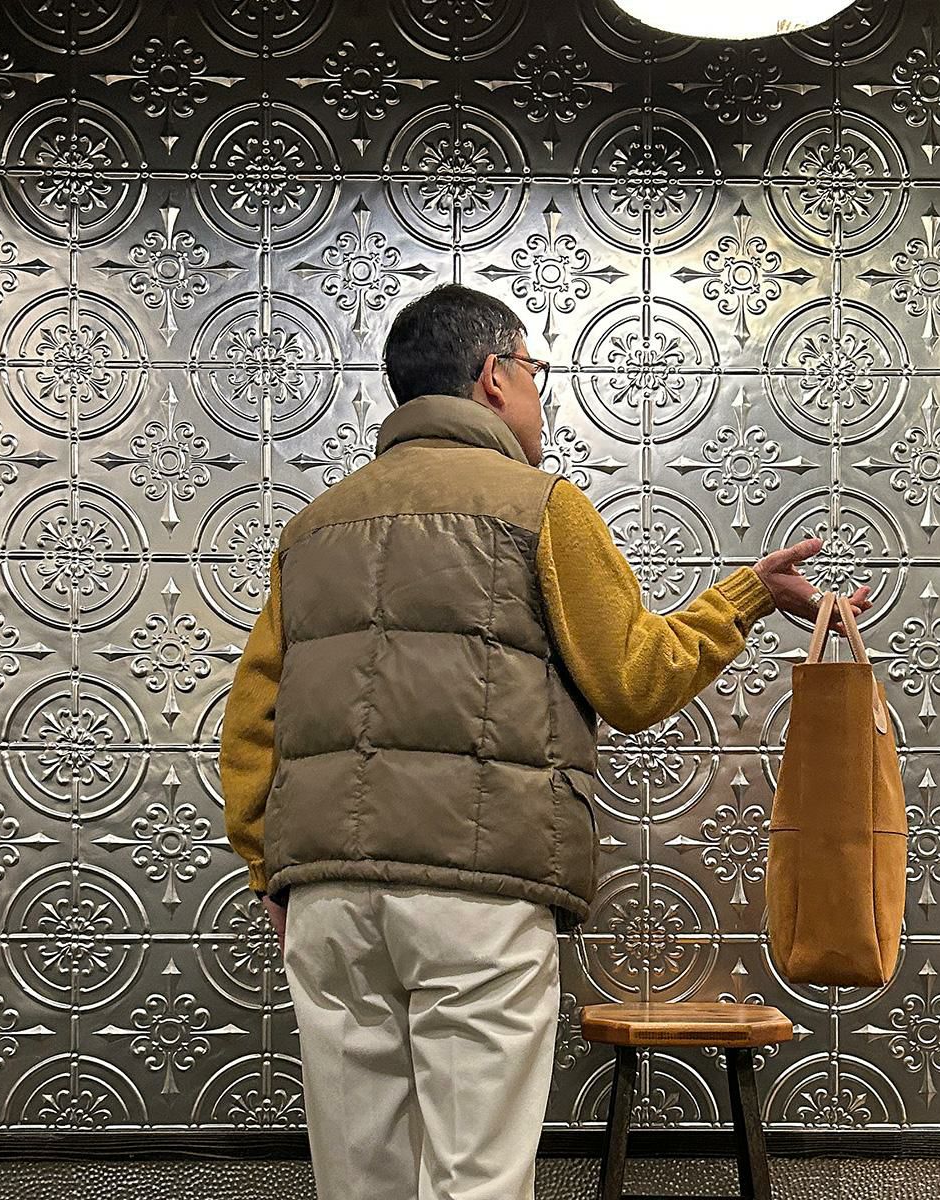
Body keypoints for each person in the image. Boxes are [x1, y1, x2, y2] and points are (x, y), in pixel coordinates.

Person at [220, 284, 870, 1200]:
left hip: (327, 897)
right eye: (534, 370)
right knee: (477, 1176)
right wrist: (747, 596)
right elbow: (634, 679)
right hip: (477, 894)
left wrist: (271, 869)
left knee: (359, 1176)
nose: (538, 393)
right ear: (494, 376)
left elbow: (252, 718)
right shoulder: (540, 507)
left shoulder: (313, 527)